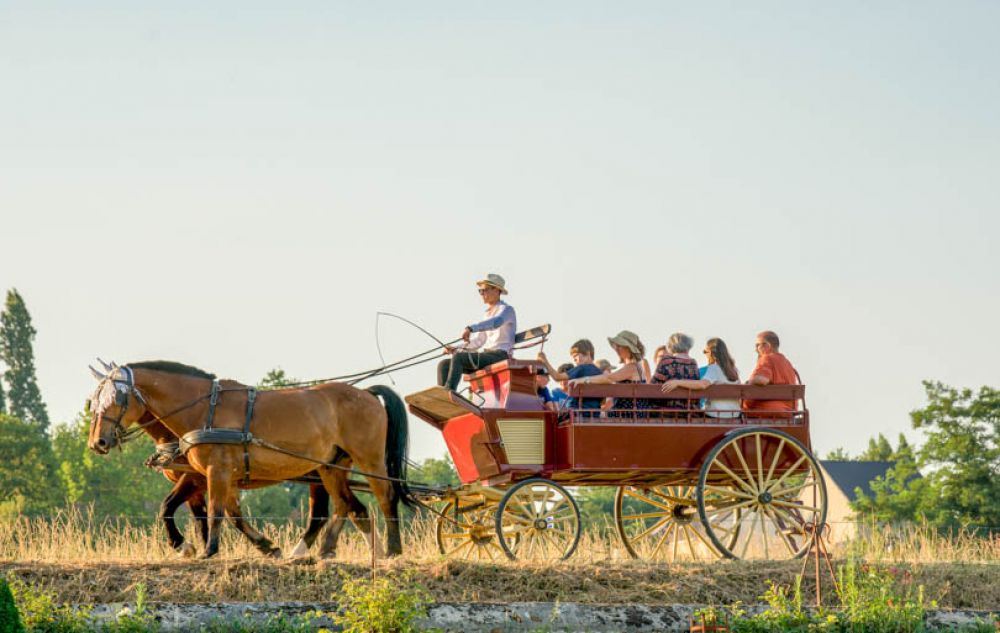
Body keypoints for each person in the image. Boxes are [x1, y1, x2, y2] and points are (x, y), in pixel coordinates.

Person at [437, 274, 517, 392]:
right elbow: (479, 341)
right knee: (444, 364)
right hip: (487, 356)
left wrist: (471, 328)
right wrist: (456, 348)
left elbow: (496, 322)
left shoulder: (506, 310)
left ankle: (449, 391)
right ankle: (442, 399)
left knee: (458, 358)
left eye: (485, 290)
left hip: (499, 356)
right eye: (480, 291)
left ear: (497, 290)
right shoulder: (487, 314)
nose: (482, 294)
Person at [568, 330, 647, 417]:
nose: (616, 348)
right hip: (629, 413)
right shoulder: (636, 367)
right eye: (616, 346)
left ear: (628, 348)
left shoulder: (632, 367)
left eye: (619, 346)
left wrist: (583, 380)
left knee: (589, 415)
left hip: (626, 414)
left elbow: (609, 378)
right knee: (594, 414)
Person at [660, 337, 740, 418]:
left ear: (711, 353)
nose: (704, 354)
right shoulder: (734, 370)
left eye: (705, 351)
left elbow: (702, 384)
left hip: (716, 414)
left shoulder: (714, 368)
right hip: (735, 414)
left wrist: (677, 382)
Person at [537, 339, 604, 412]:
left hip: (576, 413)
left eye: (576, 356)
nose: (574, 360)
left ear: (588, 354)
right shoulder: (600, 373)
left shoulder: (581, 369)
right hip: (595, 413)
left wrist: (544, 360)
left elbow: (557, 377)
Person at [742, 330, 799, 415]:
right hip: (789, 411)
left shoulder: (767, 359)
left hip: (768, 410)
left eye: (758, 345)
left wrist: (748, 382)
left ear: (767, 345)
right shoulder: (788, 364)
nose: (756, 349)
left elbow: (762, 380)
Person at [648, 333, 701, 412]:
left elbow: (652, 387)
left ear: (670, 346)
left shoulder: (666, 361)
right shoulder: (693, 363)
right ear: (688, 346)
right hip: (690, 411)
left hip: (667, 411)